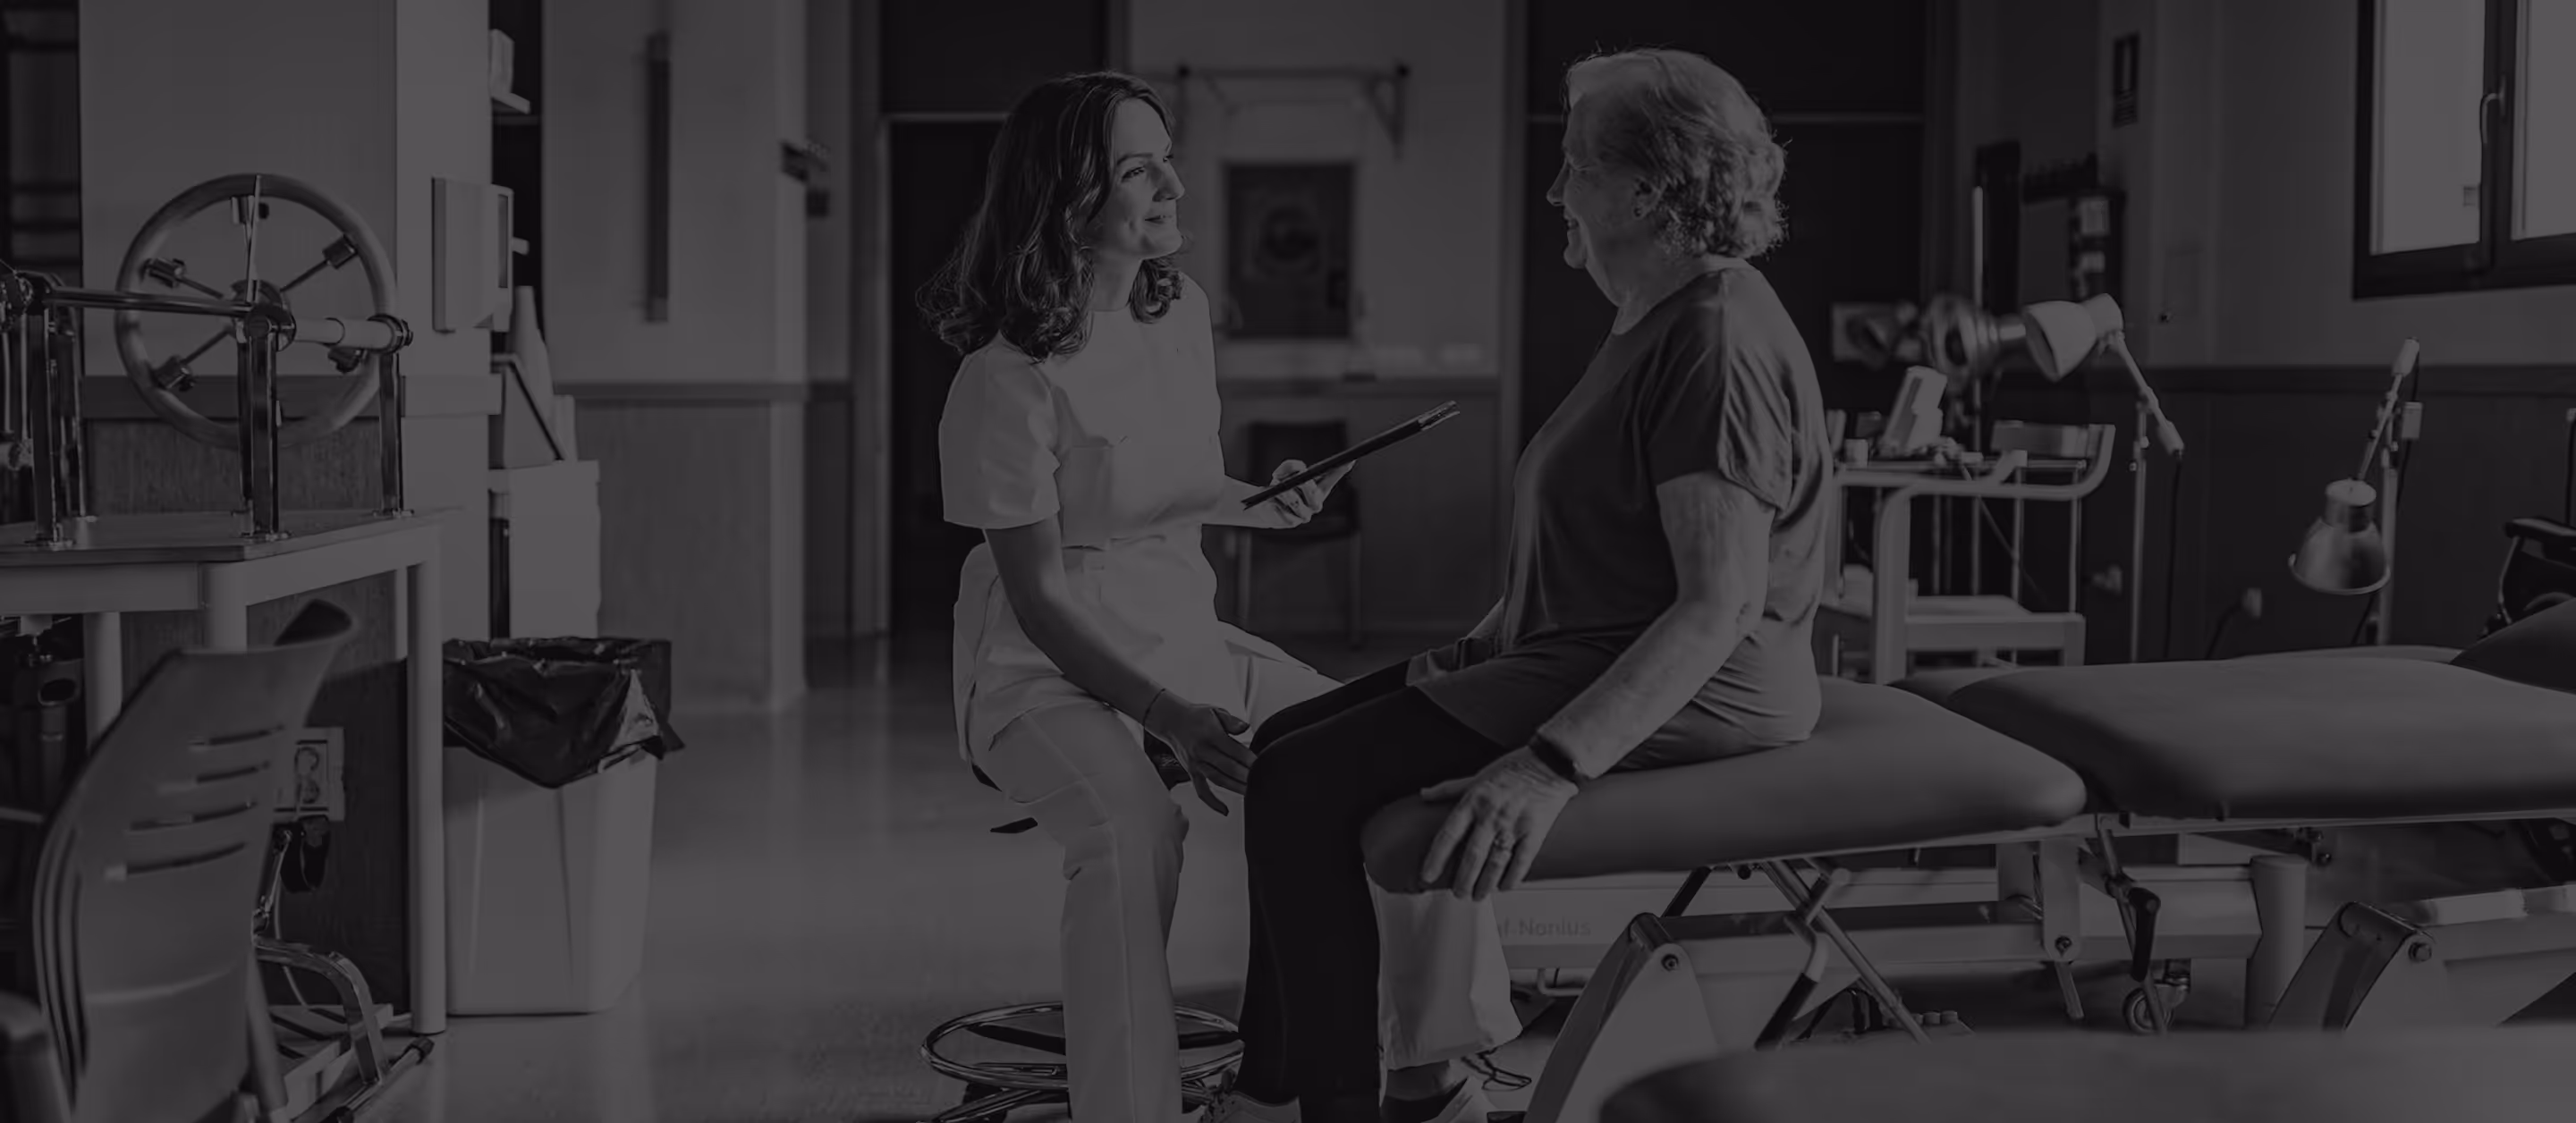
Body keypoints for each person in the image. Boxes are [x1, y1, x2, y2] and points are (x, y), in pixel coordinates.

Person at [1215, 48, 1834, 1123]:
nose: (1555, 191)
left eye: (1575, 165)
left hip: (1698, 686)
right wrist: (1477, 648)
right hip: (1570, 649)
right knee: (1283, 750)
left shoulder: (1716, 338)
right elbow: (1601, 548)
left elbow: (1718, 602)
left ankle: (1325, 1104)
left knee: (1301, 787)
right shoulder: (1654, 313)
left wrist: (1548, 768)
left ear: (1647, 192)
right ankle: (1278, 1091)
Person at [920, 72, 1521, 1123]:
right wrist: (1168, 717)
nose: (1172, 186)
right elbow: (1042, 594)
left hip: (1184, 633)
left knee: (1396, 759)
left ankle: (1431, 1069)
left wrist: (1265, 500)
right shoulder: (1004, 379)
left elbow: (1172, 485)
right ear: (1066, 196)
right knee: (1132, 833)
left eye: (1167, 159)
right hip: (1041, 668)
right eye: (1137, 169)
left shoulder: (1179, 310)